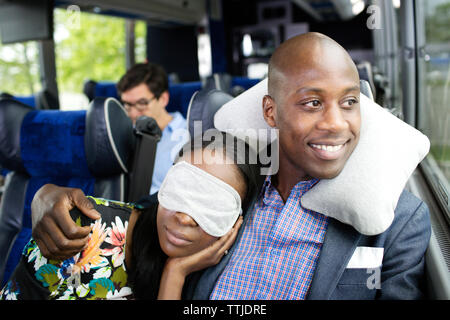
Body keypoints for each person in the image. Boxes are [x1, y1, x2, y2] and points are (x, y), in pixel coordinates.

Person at [28, 32, 431, 300]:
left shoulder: (399, 221)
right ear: (270, 113)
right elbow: (147, 215)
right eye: (312, 103)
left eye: (349, 102)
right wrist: (47, 198)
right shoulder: (233, 178)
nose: (336, 123)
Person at [0, 130, 257, 300]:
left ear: (236, 224)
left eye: (212, 205)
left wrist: (174, 274)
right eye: (184, 188)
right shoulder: (83, 230)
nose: (186, 218)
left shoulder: (217, 281)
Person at [117, 63, 188, 194]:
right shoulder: (123, 135)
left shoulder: (190, 136)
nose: (132, 113)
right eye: (127, 104)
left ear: (163, 99)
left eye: (142, 103)